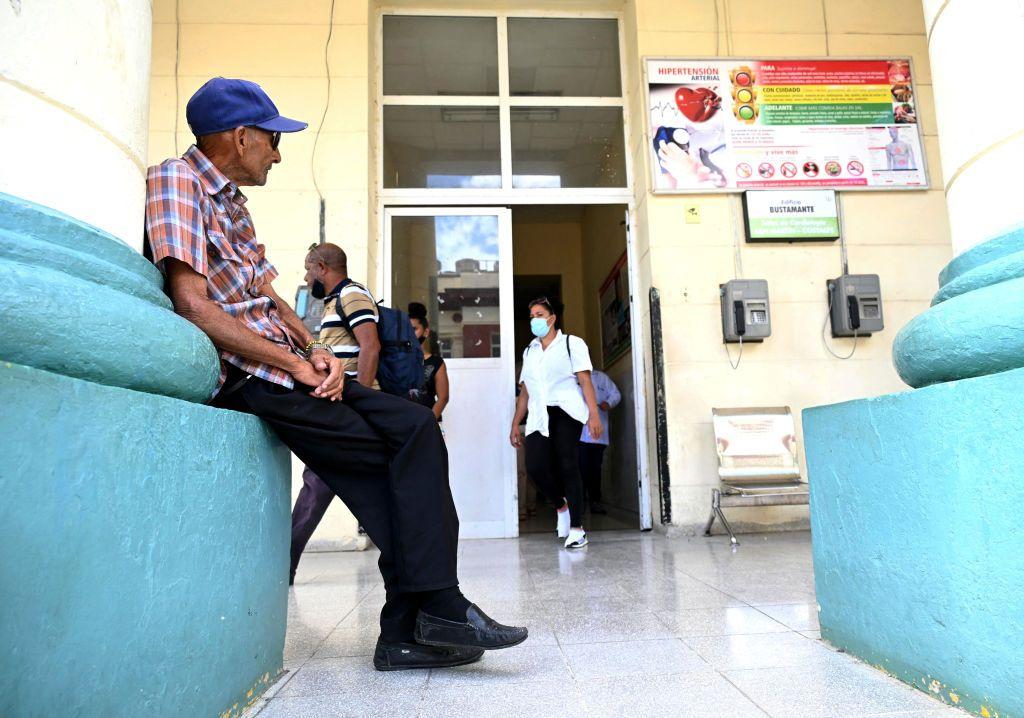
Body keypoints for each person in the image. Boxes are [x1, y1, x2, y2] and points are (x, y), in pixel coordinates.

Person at [144, 77, 526, 672]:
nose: (278, 152)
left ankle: (429, 617)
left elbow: (266, 297)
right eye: (271, 140)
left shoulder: (232, 204)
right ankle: (421, 619)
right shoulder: (177, 181)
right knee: (384, 466)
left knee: (418, 426)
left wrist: (314, 348)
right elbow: (194, 304)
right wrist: (295, 362)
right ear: (239, 136)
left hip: (287, 365)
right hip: (251, 377)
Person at [288, 242, 382, 585]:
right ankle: (287, 563)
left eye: (308, 268)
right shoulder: (332, 303)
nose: (306, 275)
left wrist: (363, 398)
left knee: (317, 483)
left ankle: (285, 564)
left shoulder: (351, 295)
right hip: (338, 407)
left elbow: (370, 345)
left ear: (323, 267)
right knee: (320, 483)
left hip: (350, 408)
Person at [509, 297, 603, 549]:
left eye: (538, 314)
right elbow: (525, 392)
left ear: (551, 319)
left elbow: (585, 381)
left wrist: (593, 415)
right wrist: (515, 423)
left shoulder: (572, 344)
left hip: (566, 411)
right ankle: (561, 507)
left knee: (568, 465)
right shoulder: (530, 350)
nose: (534, 320)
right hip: (539, 414)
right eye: (531, 316)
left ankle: (577, 528)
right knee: (535, 466)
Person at [578, 369, 621, 515]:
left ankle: (595, 502)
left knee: (595, 470)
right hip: (579, 434)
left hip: (598, 434)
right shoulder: (573, 377)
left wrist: (608, 403)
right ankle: (580, 502)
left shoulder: (602, 377)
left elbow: (616, 394)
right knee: (581, 469)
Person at [407, 303, 449, 423]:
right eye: (407, 330)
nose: (410, 334)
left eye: (414, 329)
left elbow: (443, 397)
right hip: (403, 424)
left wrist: (427, 422)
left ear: (426, 332)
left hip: (428, 423)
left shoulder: (436, 363)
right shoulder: (397, 361)